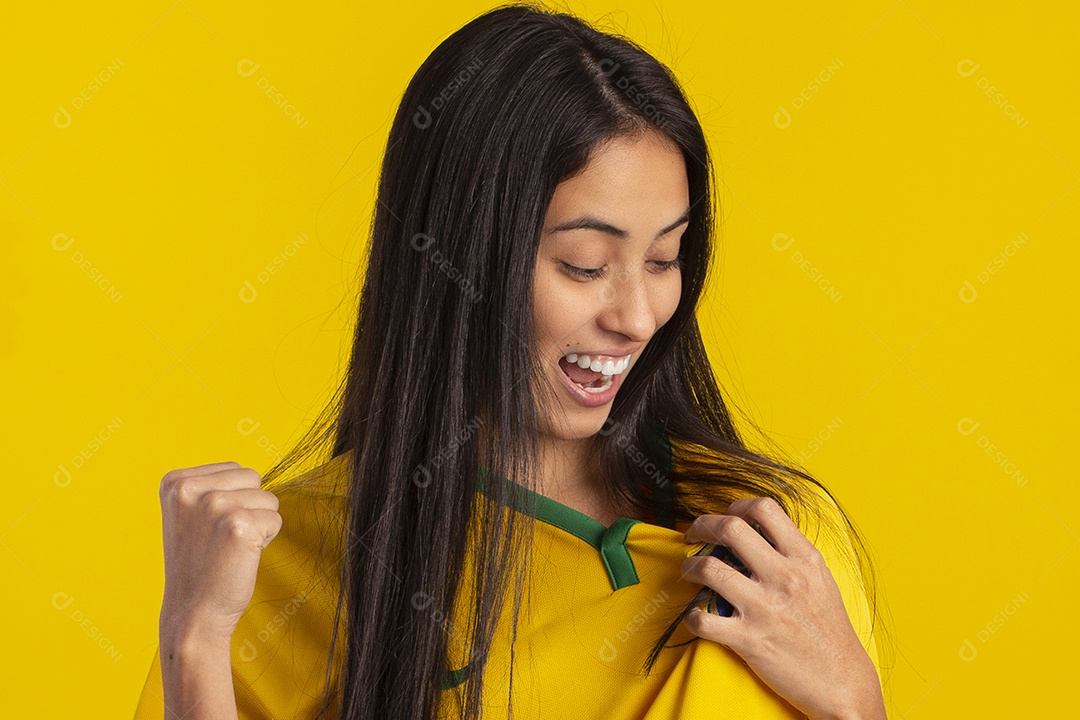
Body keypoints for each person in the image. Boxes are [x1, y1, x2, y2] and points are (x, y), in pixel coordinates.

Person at [132, 3, 893, 719]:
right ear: (456, 261)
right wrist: (193, 645)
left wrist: (854, 698)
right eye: (586, 265)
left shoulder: (774, 546)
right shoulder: (278, 568)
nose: (637, 316)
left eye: (665, 257)